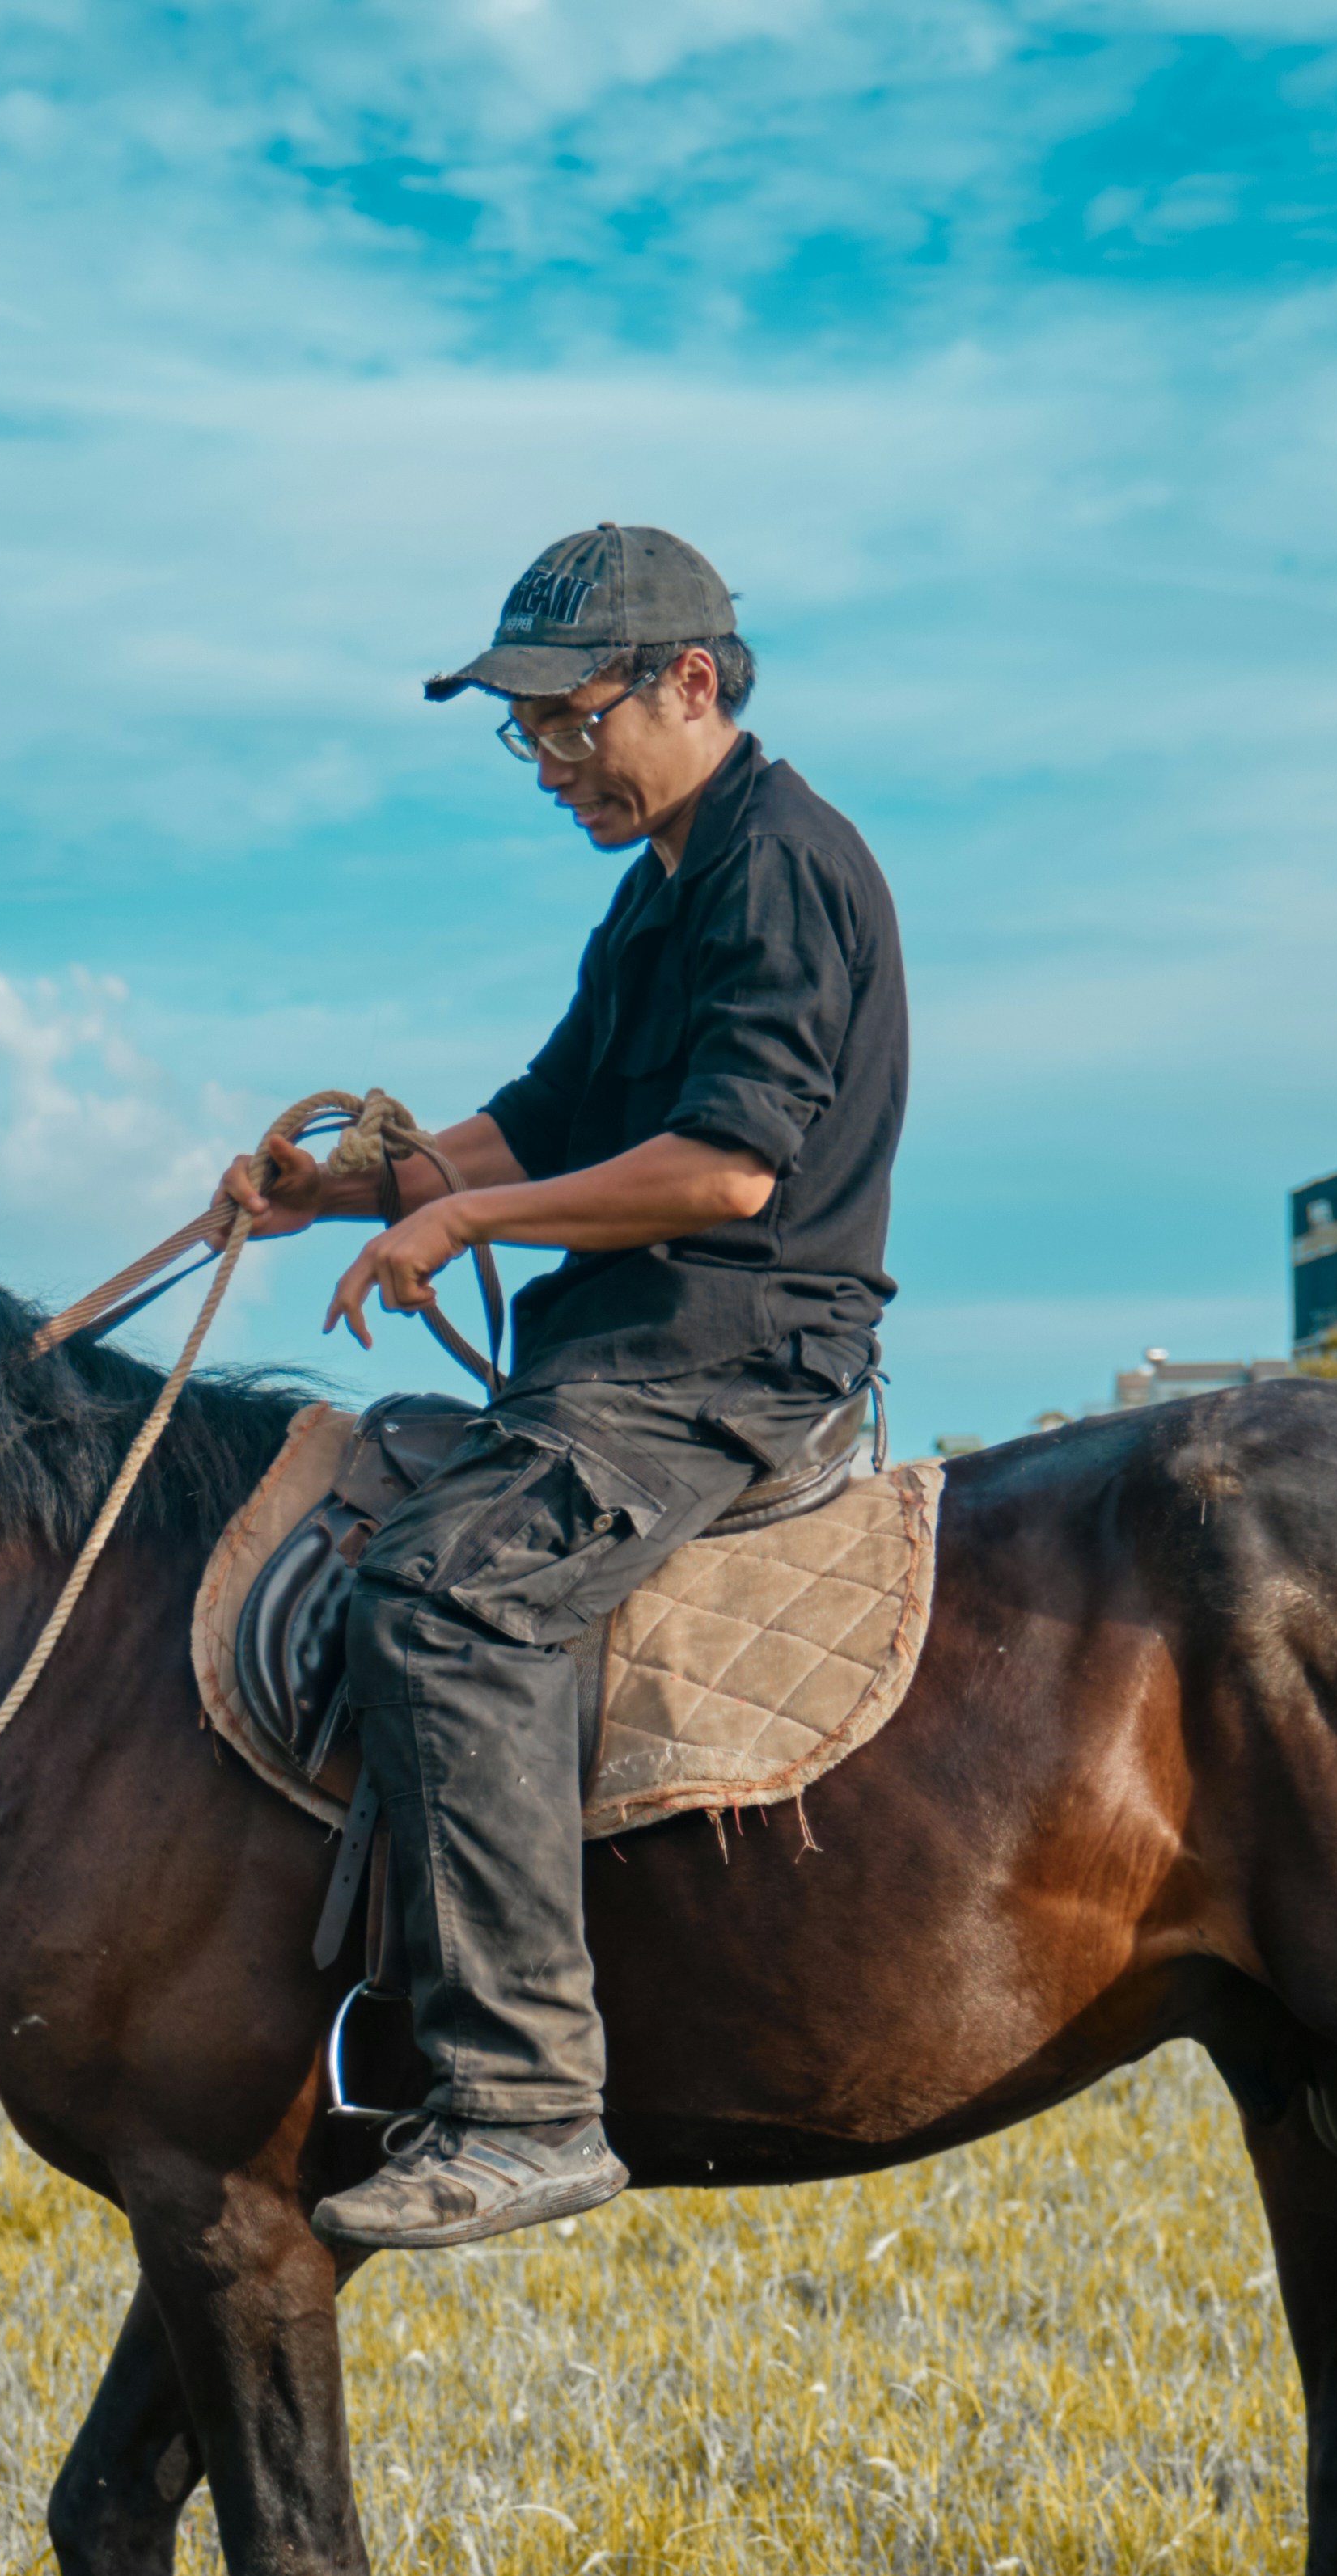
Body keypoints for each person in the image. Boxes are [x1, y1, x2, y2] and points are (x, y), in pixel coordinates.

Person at [244, 523, 910, 2253]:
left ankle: (527, 2099)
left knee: (445, 1599)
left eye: (571, 719)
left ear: (692, 683)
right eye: (524, 732)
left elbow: (726, 1172)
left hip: (730, 1361)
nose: (549, 762)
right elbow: (546, 1116)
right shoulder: (664, 884)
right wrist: (349, 1188)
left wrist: (463, 1216)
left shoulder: (781, 867)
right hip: (628, 1355)